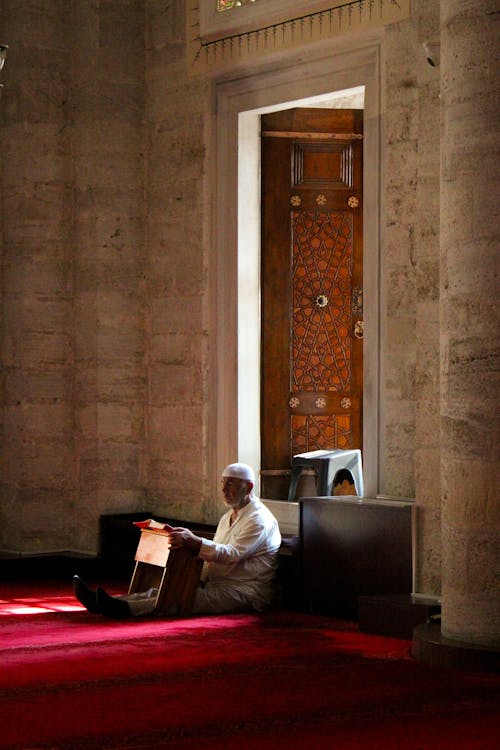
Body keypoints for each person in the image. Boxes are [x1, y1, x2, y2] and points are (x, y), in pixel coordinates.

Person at [73, 462, 282, 618]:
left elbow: (232, 554)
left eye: (231, 485)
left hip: (244, 591)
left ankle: (122, 609)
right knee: (165, 591)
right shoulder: (229, 516)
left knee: (183, 597)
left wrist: (194, 542)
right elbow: (219, 551)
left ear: (249, 487)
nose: (224, 490)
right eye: (223, 484)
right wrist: (188, 543)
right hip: (217, 584)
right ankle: (103, 603)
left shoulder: (259, 520)